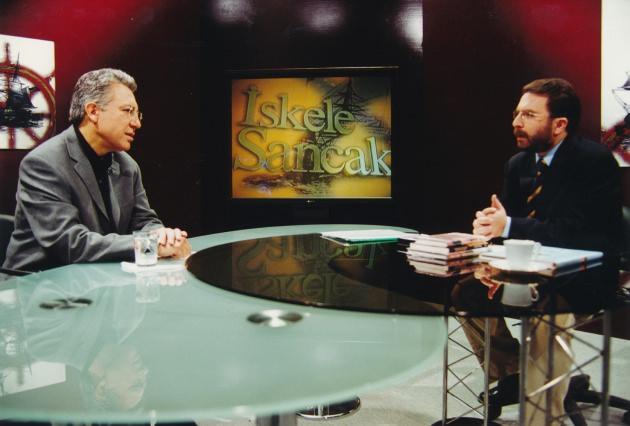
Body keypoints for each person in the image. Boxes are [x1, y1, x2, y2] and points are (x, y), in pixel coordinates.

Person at [467, 78, 622, 424]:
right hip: (528, 271)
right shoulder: (518, 164)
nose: (516, 122)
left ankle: (542, 416)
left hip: (584, 275)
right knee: (465, 291)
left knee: (545, 311)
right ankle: (512, 373)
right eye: (516, 113)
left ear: (559, 124)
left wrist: (508, 226)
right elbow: (509, 226)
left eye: (528, 115)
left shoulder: (593, 162)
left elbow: (578, 234)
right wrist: (490, 232)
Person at [2, 68, 191, 272]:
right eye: (128, 111)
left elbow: (145, 221)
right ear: (93, 111)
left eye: (138, 114)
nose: (136, 123)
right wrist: (148, 244)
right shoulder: (43, 163)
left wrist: (163, 236)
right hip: (37, 281)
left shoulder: (128, 166)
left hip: (95, 278)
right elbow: (69, 243)